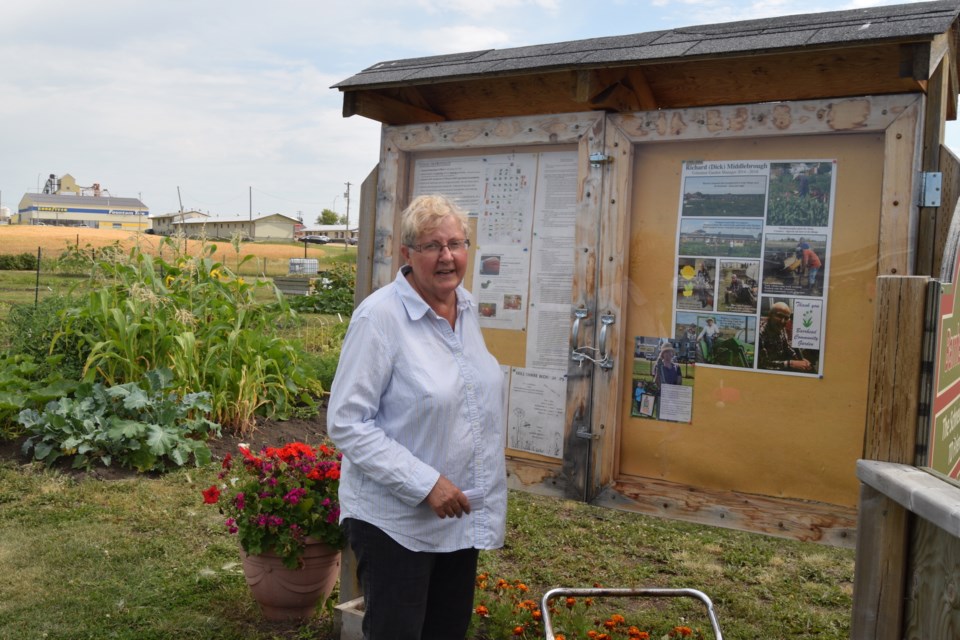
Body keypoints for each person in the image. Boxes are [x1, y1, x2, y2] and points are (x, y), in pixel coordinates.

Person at [327, 194, 507, 640]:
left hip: (456, 515)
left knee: (447, 630)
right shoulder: (380, 318)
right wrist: (426, 483)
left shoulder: (464, 307)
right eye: (432, 246)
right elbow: (347, 422)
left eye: (456, 243)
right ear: (407, 253)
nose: (447, 257)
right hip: (395, 522)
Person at [757, 302, 813, 372]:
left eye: (786, 318)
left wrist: (799, 358)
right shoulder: (760, 333)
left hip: (781, 362)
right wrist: (790, 364)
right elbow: (763, 364)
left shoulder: (780, 328)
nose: (782, 321)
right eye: (779, 316)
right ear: (770, 315)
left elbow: (786, 346)